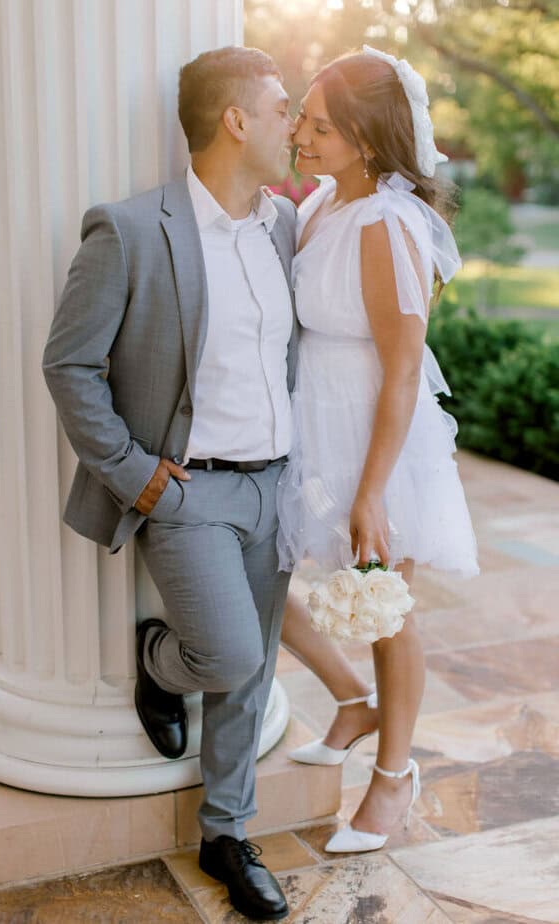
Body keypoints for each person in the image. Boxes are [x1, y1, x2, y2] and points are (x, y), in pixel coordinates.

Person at [43, 46, 297, 922]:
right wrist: (136, 478)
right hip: (190, 495)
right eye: (280, 107)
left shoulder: (284, 227)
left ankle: (226, 832)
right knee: (226, 657)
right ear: (236, 120)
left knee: (253, 678)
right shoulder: (129, 228)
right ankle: (160, 659)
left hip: (278, 487)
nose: (292, 124)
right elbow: (70, 364)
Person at [276, 45, 479, 854]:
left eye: (321, 126)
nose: (300, 134)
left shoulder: (388, 222)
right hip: (310, 426)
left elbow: (401, 370)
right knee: (266, 583)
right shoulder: (324, 200)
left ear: (367, 139)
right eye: (302, 116)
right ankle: (349, 700)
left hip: (375, 434)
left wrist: (372, 492)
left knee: (385, 612)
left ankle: (394, 777)